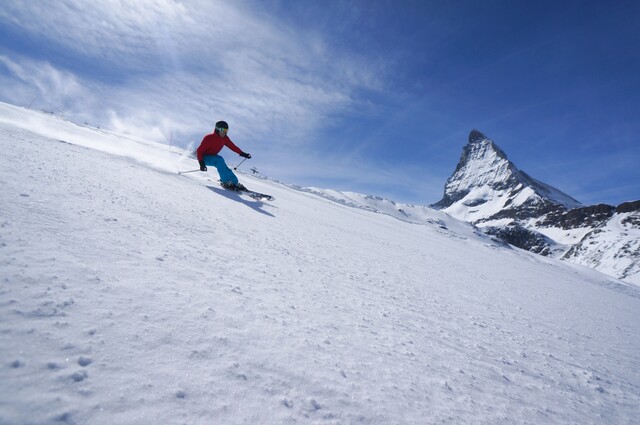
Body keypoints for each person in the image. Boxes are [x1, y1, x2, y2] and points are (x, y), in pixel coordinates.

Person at [196, 121, 251, 190]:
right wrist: (202, 163)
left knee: (224, 167)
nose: (224, 132)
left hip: (214, 158)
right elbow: (199, 151)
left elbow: (233, 147)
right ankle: (226, 182)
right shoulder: (209, 138)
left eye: (226, 130)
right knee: (219, 160)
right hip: (204, 158)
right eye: (222, 130)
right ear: (217, 129)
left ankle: (235, 183)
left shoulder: (225, 138)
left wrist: (243, 154)